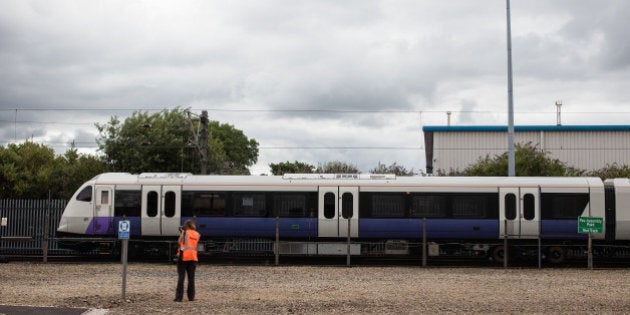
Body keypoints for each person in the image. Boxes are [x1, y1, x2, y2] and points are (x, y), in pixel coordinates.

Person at [174, 219, 201, 302]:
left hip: (183, 257)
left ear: (186, 225)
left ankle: (179, 298)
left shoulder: (185, 233)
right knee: (191, 278)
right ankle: (191, 297)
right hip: (193, 258)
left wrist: (182, 232)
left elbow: (179, 242)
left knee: (181, 278)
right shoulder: (197, 234)